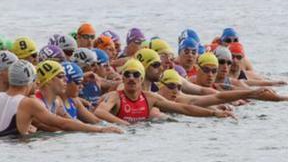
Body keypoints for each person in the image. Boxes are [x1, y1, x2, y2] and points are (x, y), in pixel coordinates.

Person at [0, 61, 122, 137]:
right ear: (30, 81)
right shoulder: (29, 103)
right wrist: (100, 131)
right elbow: (61, 123)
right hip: (13, 157)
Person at [94, 59, 233, 124]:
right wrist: (125, 125)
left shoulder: (150, 98)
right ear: (122, 78)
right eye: (127, 74)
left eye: (135, 75)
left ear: (141, 79)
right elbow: (100, 112)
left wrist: (213, 113)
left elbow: (184, 109)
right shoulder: (115, 97)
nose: (131, 78)